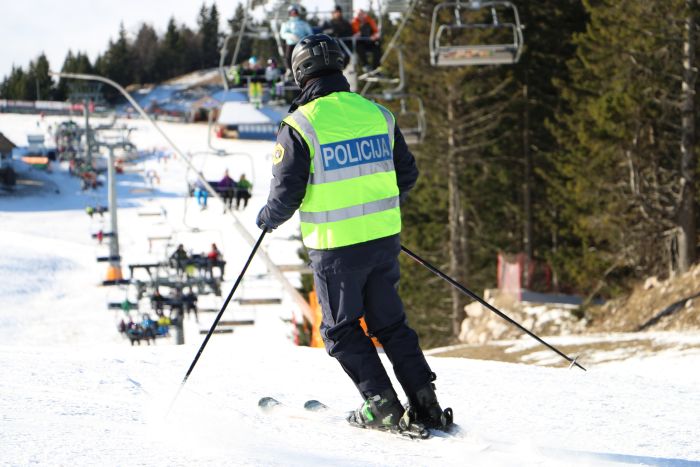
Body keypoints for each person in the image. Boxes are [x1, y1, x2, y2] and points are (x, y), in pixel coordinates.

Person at [255, 34, 452, 435]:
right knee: (389, 324)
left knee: (341, 330)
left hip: (334, 247)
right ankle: (425, 402)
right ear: (340, 66)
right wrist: (373, 208)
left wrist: (266, 219)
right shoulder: (377, 113)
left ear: (299, 73)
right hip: (382, 240)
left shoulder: (300, 124)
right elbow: (406, 175)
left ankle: (380, 403)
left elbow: (287, 193)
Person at [279, 5, 313, 73]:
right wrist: (291, 36)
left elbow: (310, 33)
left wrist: (303, 38)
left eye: (295, 12)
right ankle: (290, 71)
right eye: (292, 12)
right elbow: (283, 34)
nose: (294, 14)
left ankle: (305, 70)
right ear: (289, 13)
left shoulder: (303, 23)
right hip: (291, 43)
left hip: (301, 43)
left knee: (303, 57)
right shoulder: (286, 23)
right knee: (288, 58)